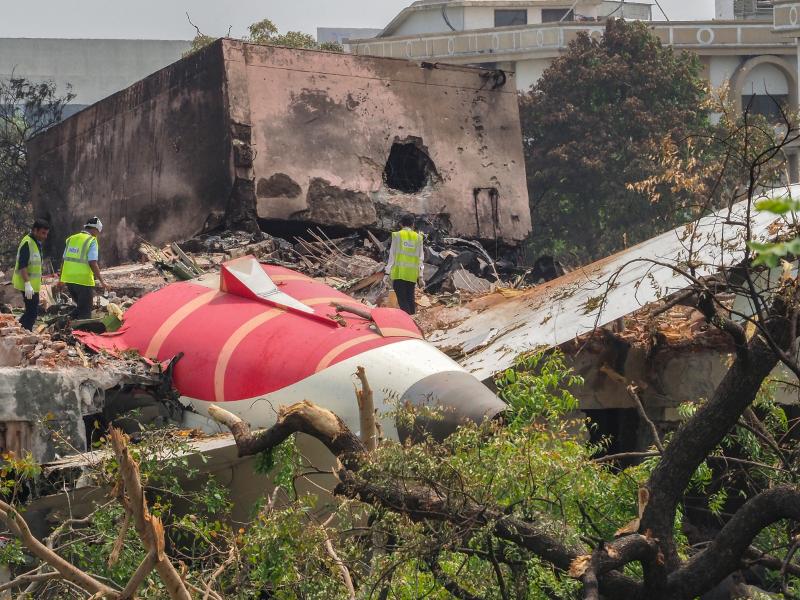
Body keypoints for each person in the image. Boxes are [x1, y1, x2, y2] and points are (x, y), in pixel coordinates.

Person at [59, 217, 108, 320]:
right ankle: (81, 329)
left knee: (81, 307)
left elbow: (64, 260)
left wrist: (61, 279)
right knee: (85, 313)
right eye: (98, 232)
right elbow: (92, 262)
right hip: (83, 281)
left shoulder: (71, 239)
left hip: (69, 281)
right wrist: (102, 281)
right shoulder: (92, 240)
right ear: (95, 229)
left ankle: (63, 321)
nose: (97, 234)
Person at [11, 219, 50, 331]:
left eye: (46, 233)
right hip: (27, 284)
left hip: (32, 285)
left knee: (31, 311)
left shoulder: (35, 242)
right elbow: (22, 265)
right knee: (32, 312)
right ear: (35, 230)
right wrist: (27, 284)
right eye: (43, 233)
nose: (45, 236)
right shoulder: (27, 243)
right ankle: (23, 331)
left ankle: (19, 330)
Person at [385, 214, 424, 315]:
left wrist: (387, 272)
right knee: (410, 298)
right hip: (412, 275)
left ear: (401, 224)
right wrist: (420, 276)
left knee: (402, 300)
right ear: (413, 224)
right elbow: (420, 258)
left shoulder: (397, 235)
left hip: (399, 273)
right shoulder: (418, 238)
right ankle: (413, 319)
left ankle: (408, 320)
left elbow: (392, 255)